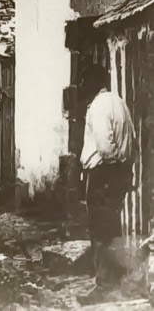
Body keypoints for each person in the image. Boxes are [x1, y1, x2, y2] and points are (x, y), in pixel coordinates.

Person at [77, 64, 135, 305]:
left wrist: (110, 171)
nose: (81, 88)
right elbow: (130, 138)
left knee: (100, 230)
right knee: (112, 227)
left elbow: (104, 145)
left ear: (93, 83)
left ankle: (104, 286)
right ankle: (117, 280)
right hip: (118, 172)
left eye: (84, 83)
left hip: (103, 173)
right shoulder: (119, 102)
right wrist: (123, 170)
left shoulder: (98, 106)